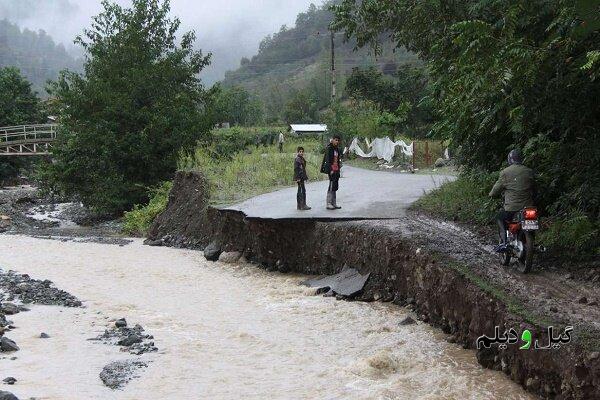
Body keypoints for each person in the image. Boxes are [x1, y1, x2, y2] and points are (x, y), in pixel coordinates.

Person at [489, 149, 535, 251]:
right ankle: (530, 243)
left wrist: (491, 194)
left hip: (512, 208)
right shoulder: (529, 171)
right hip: (528, 207)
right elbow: (534, 188)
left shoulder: (505, 172)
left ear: (510, 159)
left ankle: (505, 243)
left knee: (500, 217)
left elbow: (496, 189)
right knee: (531, 223)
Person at [321, 135, 342, 210]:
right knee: (331, 185)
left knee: (335, 186)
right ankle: (329, 203)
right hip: (331, 170)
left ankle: (334, 203)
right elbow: (328, 160)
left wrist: (338, 168)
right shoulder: (329, 148)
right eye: (335, 140)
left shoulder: (337, 149)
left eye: (338, 140)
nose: (337, 141)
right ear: (332, 140)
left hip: (336, 169)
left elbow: (338, 160)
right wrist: (331, 170)